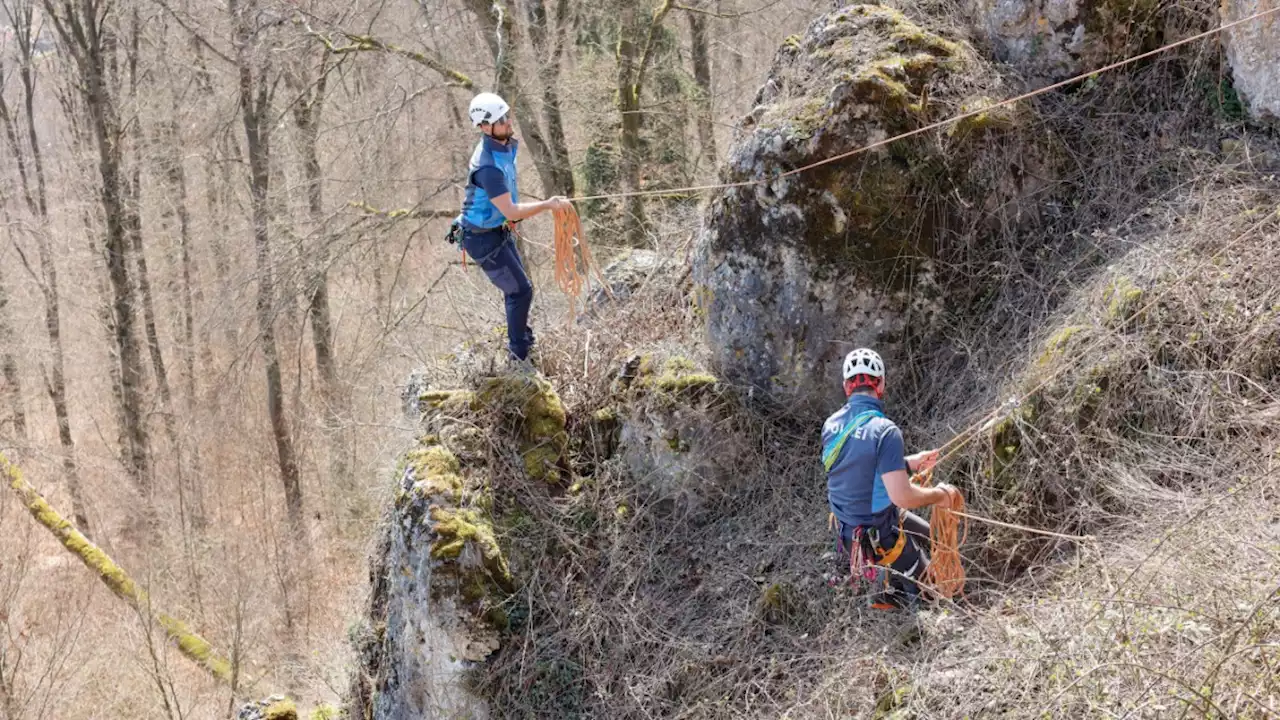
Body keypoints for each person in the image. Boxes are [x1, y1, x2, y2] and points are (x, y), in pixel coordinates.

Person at [821, 348, 956, 610]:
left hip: (850, 528)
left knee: (931, 535)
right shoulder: (886, 431)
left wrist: (907, 463)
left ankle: (896, 589)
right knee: (933, 587)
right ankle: (921, 612)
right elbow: (902, 496)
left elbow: (860, 467)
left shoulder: (831, 425)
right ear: (881, 383)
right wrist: (940, 495)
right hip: (878, 532)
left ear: (846, 387)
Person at [454, 92, 570, 363]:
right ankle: (519, 355)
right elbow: (511, 210)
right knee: (520, 290)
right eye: (501, 119)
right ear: (485, 127)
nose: (508, 122)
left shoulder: (502, 148)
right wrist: (548, 204)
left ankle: (524, 342)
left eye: (506, 116)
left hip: (495, 230)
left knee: (519, 288)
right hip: (481, 239)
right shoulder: (488, 167)